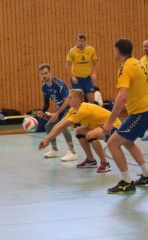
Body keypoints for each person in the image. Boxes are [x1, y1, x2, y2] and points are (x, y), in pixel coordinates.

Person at [103, 38, 148, 194]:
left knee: (112, 143)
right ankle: (147, 174)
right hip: (143, 110)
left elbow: (122, 97)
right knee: (128, 142)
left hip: (141, 112)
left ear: (118, 50)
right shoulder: (137, 62)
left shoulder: (125, 67)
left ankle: (126, 182)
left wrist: (109, 122)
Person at [39, 89, 121, 173]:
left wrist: (47, 140)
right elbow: (60, 124)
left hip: (113, 126)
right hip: (101, 126)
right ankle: (91, 160)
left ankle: (105, 163)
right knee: (79, 131)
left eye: (70, 98)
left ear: (77, 99)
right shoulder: (73, 109)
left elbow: (62, 127)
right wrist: (47, 138)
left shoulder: (82, 109)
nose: (67, 100)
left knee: (90, 135)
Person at [37, 63, 77, 161]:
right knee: (48, 126)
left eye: (46, 73)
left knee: (62, 126)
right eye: (42, 74)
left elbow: (67, 100)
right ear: (39, 75)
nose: (44, 76)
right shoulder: (44, 87)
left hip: (70, 107)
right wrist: (42, 111)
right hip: (61, 108)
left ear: (50, 73)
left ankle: (72, 152)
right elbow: (46, 104)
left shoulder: (58, 83)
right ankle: (54, 150)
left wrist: (57, 113)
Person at [66, 34, 98, 103]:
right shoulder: (72, 51)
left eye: (82, 41)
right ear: (77, 42)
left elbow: (95, 63)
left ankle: (90, 113)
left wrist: (94, 73)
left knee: (91, 100)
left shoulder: (91, 50)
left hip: (87, 78)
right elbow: (68, 65)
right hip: (77, 79)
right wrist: (72, 77)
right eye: (79, 41)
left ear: (85, 41)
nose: (80, 43)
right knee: (78, 100)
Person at [140, 40, 148, 141]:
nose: (145, 49)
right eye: (144, 46)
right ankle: (142, 128)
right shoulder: (141, 60)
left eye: (147, 46)